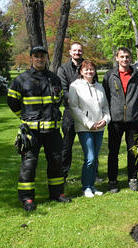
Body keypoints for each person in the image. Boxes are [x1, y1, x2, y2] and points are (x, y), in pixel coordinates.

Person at [7, 46, 71, 211]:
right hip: (31, 132)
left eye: (42, 56)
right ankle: (27, 198)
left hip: (52, 130)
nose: (39, 59)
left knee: (56, 162)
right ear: (31, 59)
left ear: (46, 59)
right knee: (29, 165)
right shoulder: (21, 79)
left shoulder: (54, 78)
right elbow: (12, 101)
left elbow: (58, 100)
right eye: (36, 56)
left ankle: (57, 194)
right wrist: (24, 116)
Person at [102, 47, 138, 193]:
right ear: (117, 58)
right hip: (115, 121)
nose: (125, 59)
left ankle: (132, 178)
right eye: (122, 57)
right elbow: (106, 97)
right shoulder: (109, 75)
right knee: (113, 152)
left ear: (130, 58)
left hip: (134, 120)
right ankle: (112, 180)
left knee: (133, 151)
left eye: (127, 57)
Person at [57, 42, 99, 180]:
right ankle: (63, 174)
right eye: (74, 50)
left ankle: (93, 173)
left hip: (89, 113)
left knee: (91, 146)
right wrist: (76, 102)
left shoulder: (88, 67)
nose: (77, 53)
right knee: (66, 146)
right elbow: (63, 91)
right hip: (70, 113)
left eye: (79, 50)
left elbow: (94, 86)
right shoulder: (63, 69)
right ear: (70, 52)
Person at [69, 60, 110, 198]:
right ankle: (86, 187)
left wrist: (105, 120)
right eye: (86, 70)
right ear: (81, 71)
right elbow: (74, 108)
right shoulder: (75, 86)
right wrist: (89, 123)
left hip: (99, 127)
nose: (89, 72)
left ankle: (92, 185)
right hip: (84, 128)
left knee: (95, 158)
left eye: (91, 69)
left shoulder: (99, 87)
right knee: (90, 157)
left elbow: (105, 107)